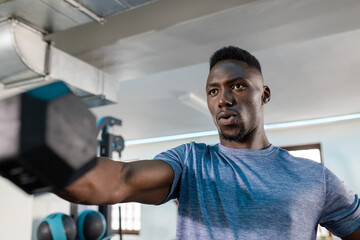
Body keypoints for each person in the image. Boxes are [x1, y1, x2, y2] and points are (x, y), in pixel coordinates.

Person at [58, 46, 360, 239]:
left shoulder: (314, 178)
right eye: (213, 91)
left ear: (264, 94)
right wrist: (35, 160)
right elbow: (120, 181)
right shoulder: (191, 162)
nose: (224, 99)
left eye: (237, 86)